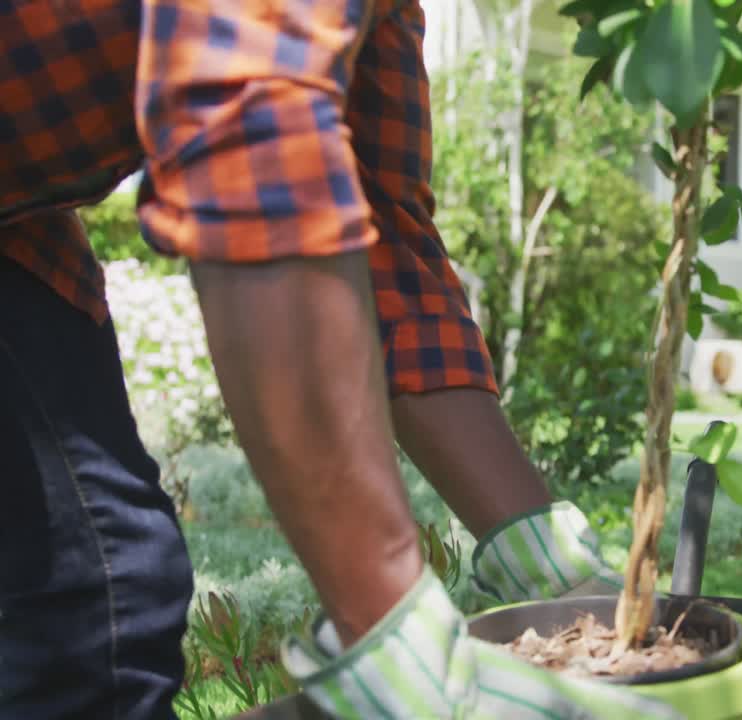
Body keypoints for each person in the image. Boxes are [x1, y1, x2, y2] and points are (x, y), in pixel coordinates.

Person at [0, 1, 676, 718]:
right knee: (97, 601)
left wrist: (547, 564)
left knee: (96, 601)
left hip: (21, 225)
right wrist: (392, 635)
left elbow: (388, 255)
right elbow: (253, 165)